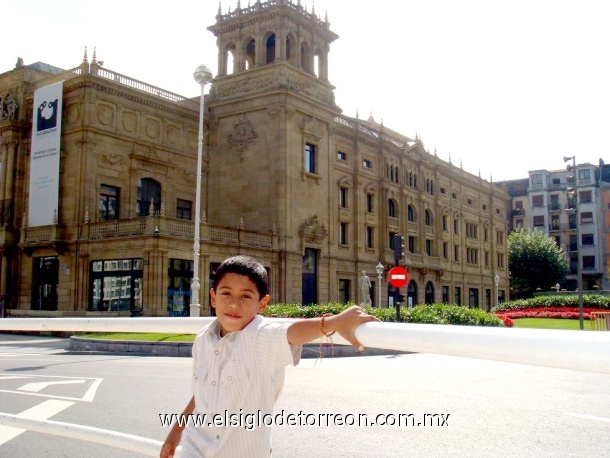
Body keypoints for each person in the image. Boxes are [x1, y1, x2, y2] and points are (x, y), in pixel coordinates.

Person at [160, 255, 378, 458]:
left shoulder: (260, 336)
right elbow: (202, 392)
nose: (234, 304)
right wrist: (175, 432)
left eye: (246, 296)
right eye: (226, 293)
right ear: (213, 297)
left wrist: (335, 322)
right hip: (194, 449)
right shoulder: (203, 339)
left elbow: (292, 333)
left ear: (262, 303)